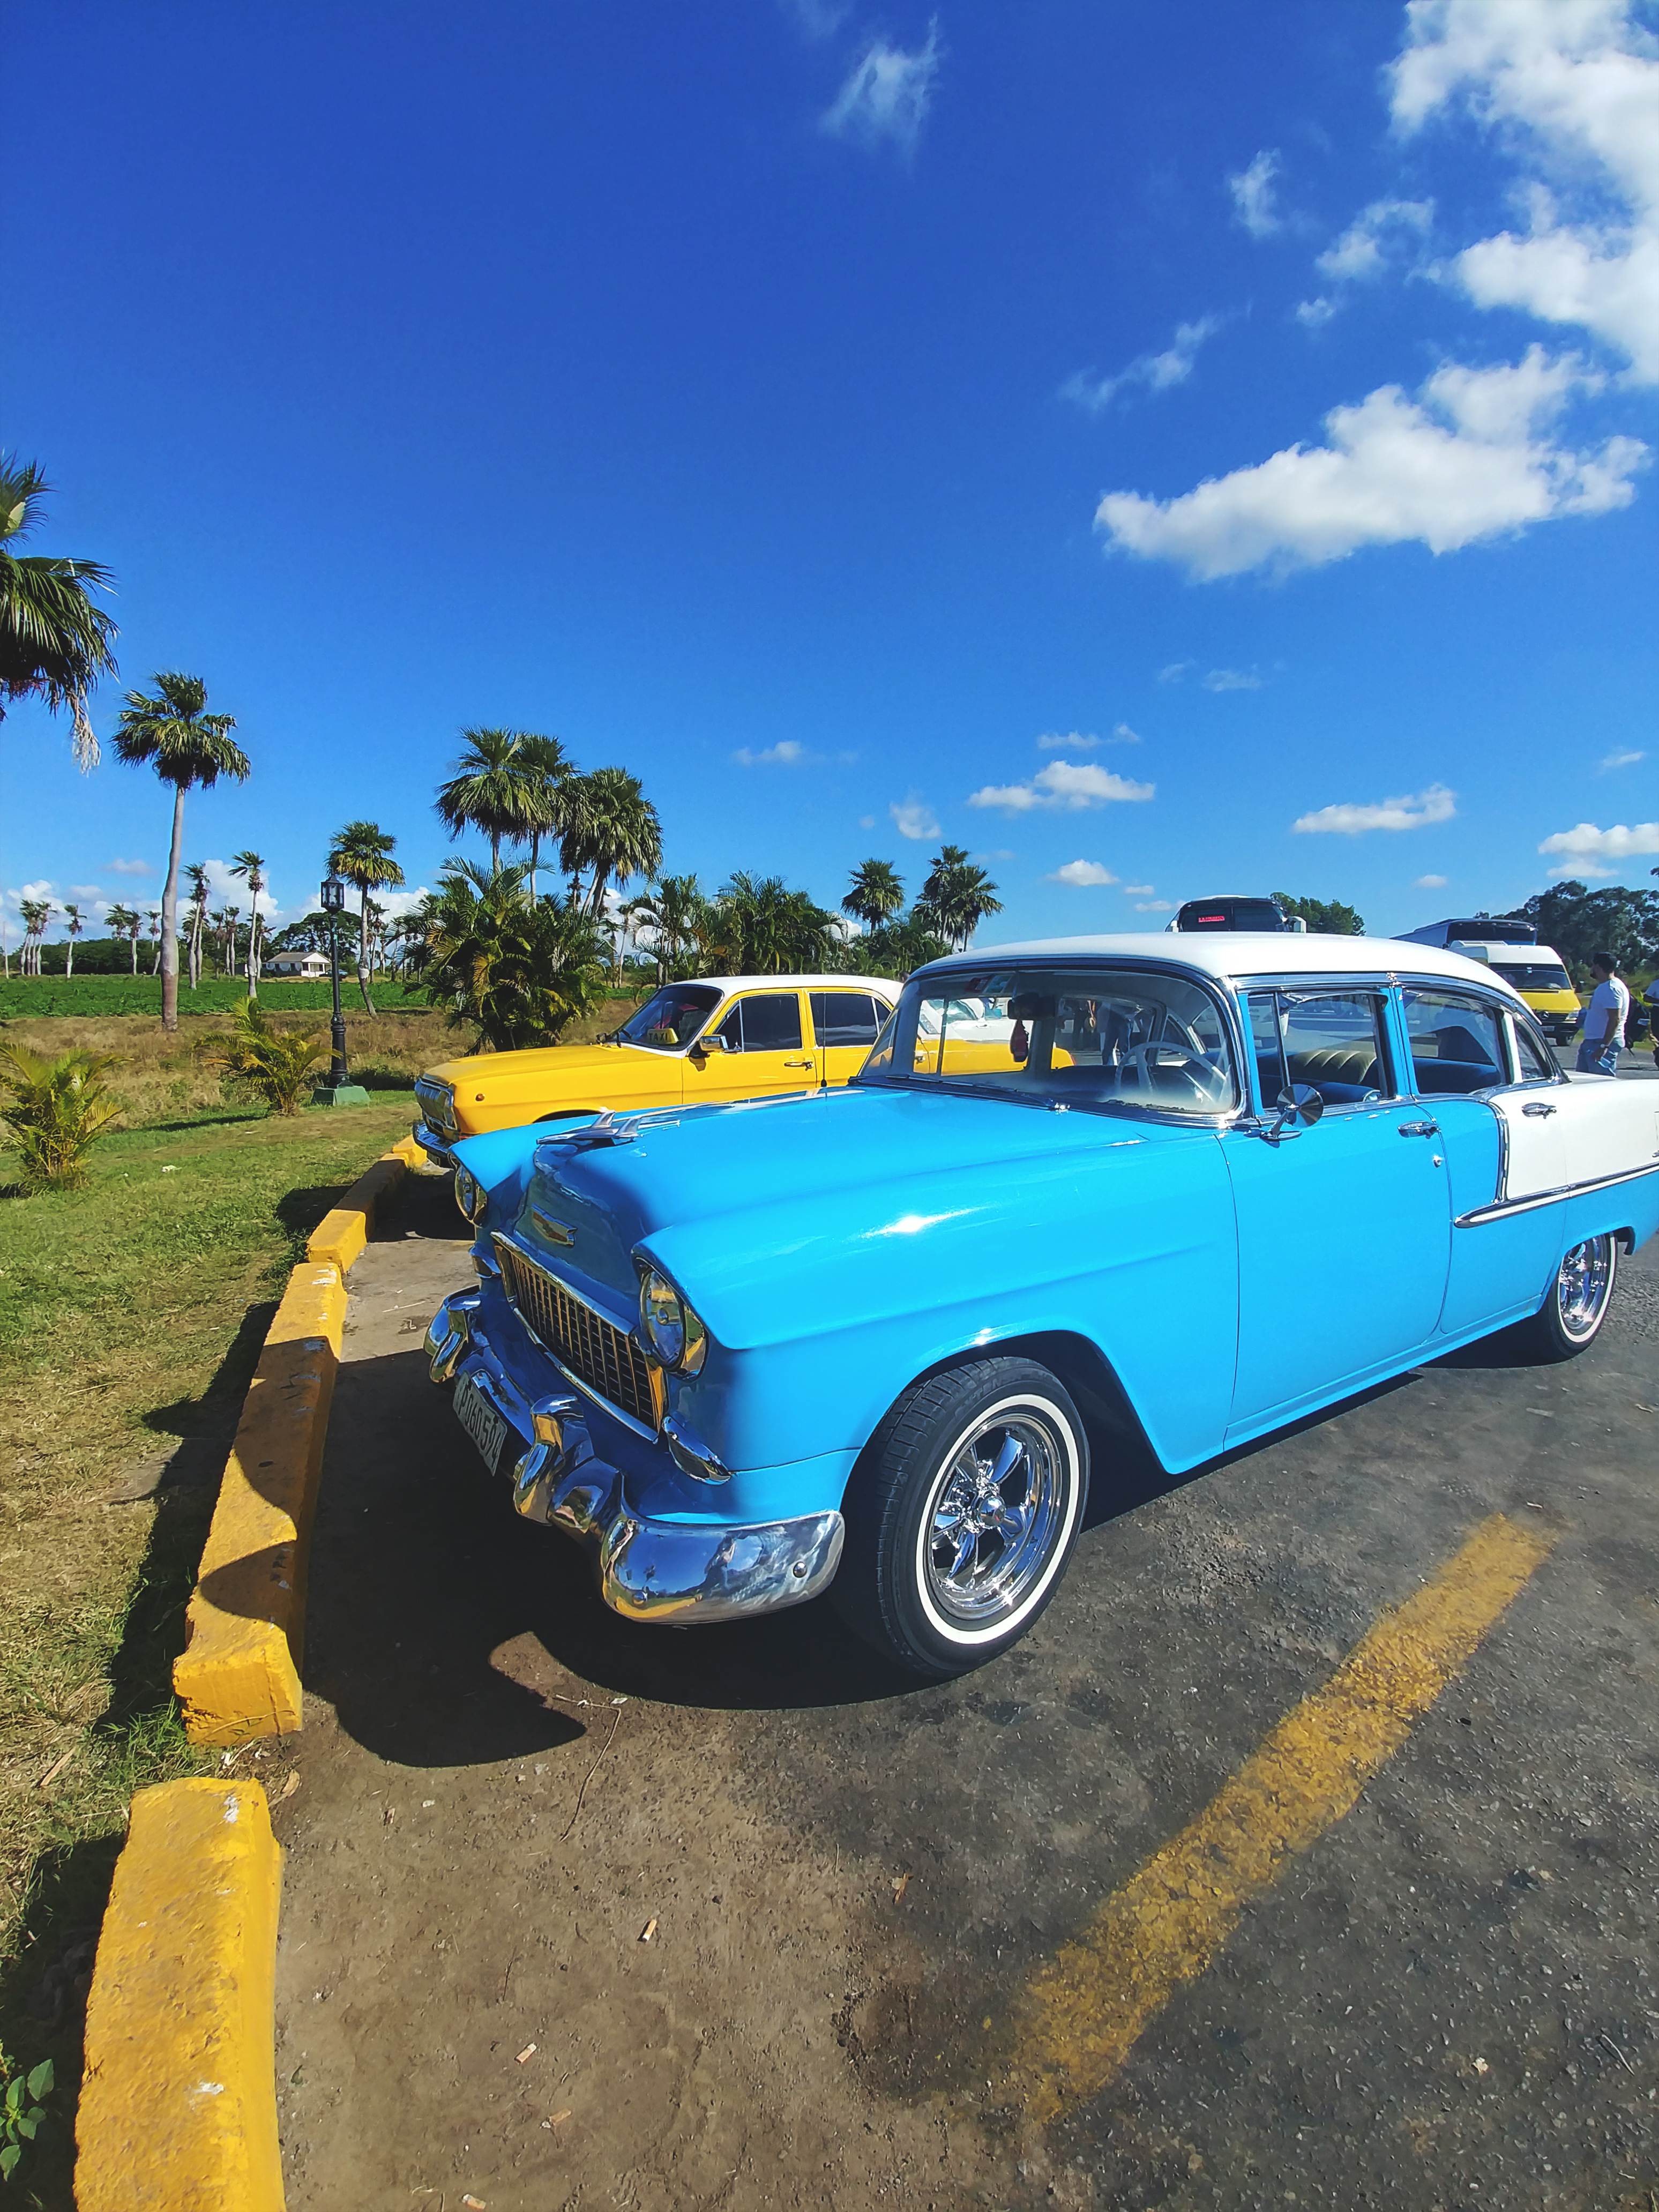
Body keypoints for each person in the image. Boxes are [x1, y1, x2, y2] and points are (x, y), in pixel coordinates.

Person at [1575, 951, 1628, 1075]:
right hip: (1593, 1041)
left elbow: (1615, 1018)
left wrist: (1604, 1046)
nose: (1592, 969)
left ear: (1598, 967)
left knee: (1600, 1082)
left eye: (1593, 966)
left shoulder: (1612, 988)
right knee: (1583, 1082)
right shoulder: (1605, 987)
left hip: (1600, 1042)